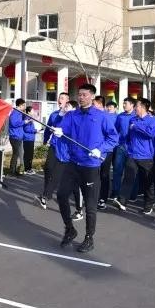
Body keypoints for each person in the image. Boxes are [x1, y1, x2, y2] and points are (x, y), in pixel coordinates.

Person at [51, 83, 117, 253]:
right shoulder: (72, 115)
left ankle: (89, 238)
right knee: (61, 195)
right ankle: (70, 229)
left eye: (84, 95)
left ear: (92, 96)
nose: (81, 97)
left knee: (90, 205)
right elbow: (63, 129)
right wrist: (59, 131)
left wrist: (100, 149)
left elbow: (113, 138)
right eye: (79, 94)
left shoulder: (102, 116)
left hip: (90, 165)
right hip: (73, 163)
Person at [111, 98, 155, 214]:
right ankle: (122, 202)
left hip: (146, 156)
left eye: (137, 106)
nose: (135, 108)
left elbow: (151, 134)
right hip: (132, 154)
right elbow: (129, 135)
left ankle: (149, 204)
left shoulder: (153, 120)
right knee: (128, 178)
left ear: (143, 107)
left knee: (147, 181)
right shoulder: (133, 119)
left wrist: (136, 127)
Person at [39, 93, 71, 208]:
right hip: (54, 144)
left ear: (67, 101)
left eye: (62, 98)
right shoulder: (54, 114)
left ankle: (51, 192)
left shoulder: (71, 115)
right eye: (59, 98)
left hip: (65, 148)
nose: (59, 100)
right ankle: (47, 191)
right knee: (48, 167)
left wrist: (64, 114)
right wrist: (45, 139)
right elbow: (48, 128)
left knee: (60, 172)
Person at [111, 98, 136, 199]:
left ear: (132, 105)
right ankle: (115, 192)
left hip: (133, 148)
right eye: (123, 103)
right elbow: (116, 130)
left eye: (126, 103)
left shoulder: (136, 116)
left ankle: (132, 193)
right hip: (121, 146)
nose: (124, 105)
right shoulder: (120, 116)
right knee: (117, 170)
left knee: (131, 172)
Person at [7, 98, 27, 177]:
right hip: (15, 136)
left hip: (19, 136)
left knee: (18, 154)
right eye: (24, 105)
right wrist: (24, 122)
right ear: (20, 105)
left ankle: (15, 170)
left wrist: (26, 119)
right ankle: (12, 171)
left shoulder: (20, 113)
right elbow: (14, 123)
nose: (25, 107)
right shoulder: (15, 113)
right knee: (16, 154)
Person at [22, 105, 38, 174]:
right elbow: (26, 129)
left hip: (31, 138)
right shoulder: (27, 118)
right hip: (27, 139)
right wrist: (35, 130)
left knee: (30, 155)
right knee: (28, 155)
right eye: (32, 111)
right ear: (28, 112)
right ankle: (27, 169)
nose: (33, 112)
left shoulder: (30, 118)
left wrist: (35, 130)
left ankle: (29, 168)